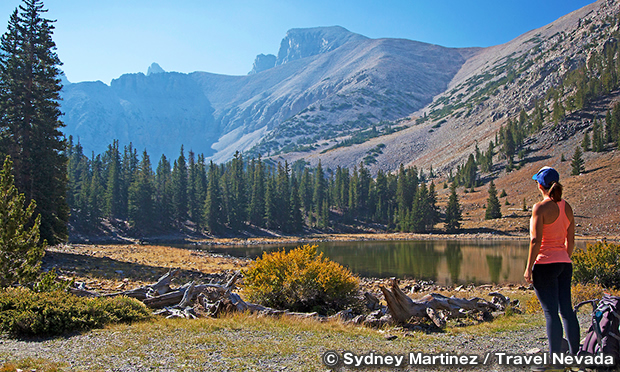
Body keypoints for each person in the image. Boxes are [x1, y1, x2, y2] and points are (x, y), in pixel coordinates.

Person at [524, 166, 580, 370]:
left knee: (550, 313)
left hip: (545, 264)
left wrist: (529, 267)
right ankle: (576, 358)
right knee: (567, 311)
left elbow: (535, 240)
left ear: (540, 185)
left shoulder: (539, 208)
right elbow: (571, 240)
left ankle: (555, 361)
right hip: (565, 263)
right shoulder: (567, 207)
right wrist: (564, 257)